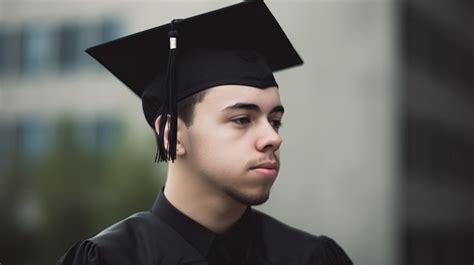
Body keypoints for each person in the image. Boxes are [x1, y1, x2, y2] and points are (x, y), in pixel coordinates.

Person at [57, 1, 353, 265]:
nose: (273, 138)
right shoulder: (109, 260)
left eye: (274, 121)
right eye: (242, 119)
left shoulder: (311, 258)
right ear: (172, 135)